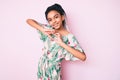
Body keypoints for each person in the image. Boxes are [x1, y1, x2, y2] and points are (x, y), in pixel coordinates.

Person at [26, 3, 86, 80]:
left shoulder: (69, 37)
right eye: (50, 20)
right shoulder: (48, 29)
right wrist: (42, 29)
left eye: (56, 17)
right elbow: (29, 21)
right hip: (42, 67)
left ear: (62, 17)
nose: (53, 21)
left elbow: (83, 57)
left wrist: (62, 43)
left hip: (53, 71)